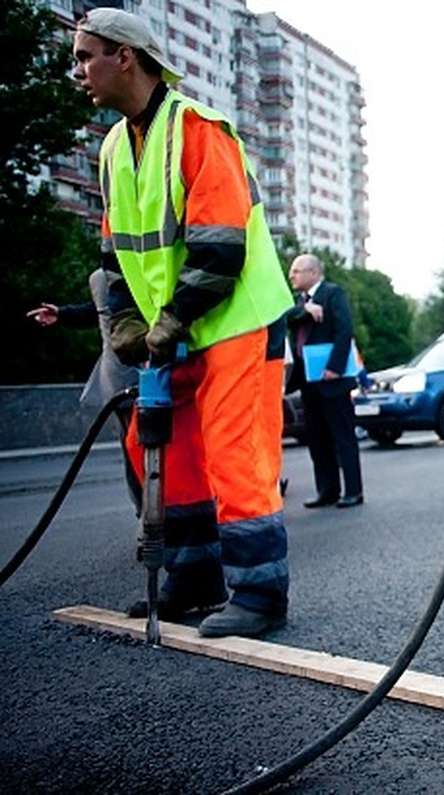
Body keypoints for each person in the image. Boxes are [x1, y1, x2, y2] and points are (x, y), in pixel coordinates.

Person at [73, 8, 293, 638]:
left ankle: (259, 593)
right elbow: (116, 254)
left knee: (233, 455)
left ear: (125, 57)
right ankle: (194, 577)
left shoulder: (199, 129)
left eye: (87, 56)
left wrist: (166, 323)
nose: (79, 71)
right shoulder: (115, 146)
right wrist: (121, 323)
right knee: (160, 448)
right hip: (177, 331)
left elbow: (220, 248)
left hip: (235, 321)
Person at [27, 268, 141, 511]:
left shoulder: (118, 270)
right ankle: (149, 511)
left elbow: (106, 307)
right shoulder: (114, 273)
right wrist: (64, 314)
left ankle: (152, 510)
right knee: (136, 443)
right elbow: (102, 309)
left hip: (129, 369)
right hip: (126, 371)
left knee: (139, 443)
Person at [285, 254, 364, 509]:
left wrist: (334, 367)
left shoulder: (333, 293)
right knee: (316, 438)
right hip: (308, 381)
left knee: (342, 436)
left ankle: (353, 491)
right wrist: (305, 310)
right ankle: (327, 490)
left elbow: (344, 331)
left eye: (296, 271)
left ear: (313, 273)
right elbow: (284, 316)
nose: (291, 276)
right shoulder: (299, 302)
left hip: (333, 380)